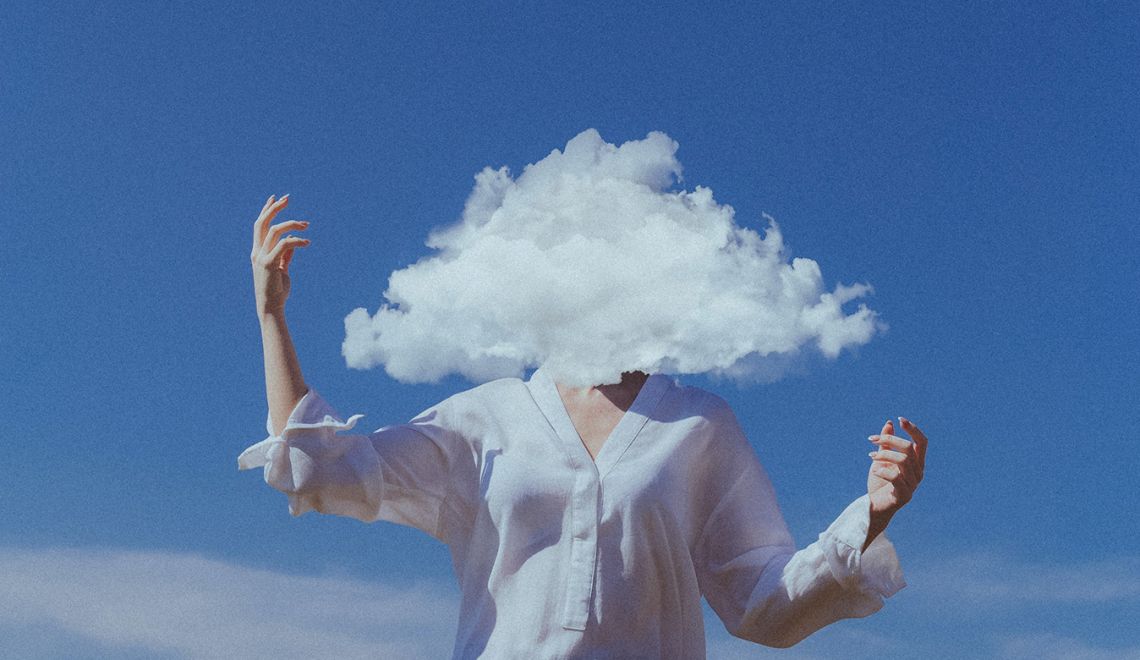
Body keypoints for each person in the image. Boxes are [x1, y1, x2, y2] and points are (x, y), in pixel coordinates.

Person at [239, 194, 928, 659]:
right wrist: (272, 314)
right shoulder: (487, 416)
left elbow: (765, 606)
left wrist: (869, 514)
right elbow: (320, 470)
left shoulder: (697, 425)